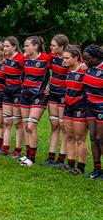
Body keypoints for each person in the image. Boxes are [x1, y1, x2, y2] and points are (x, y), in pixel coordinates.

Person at [19, 36, 51, 167]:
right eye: (24, 46)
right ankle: (27, 154)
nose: (25, 48)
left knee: (31, 126)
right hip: (25, 94)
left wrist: (49, 85)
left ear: (35, 46)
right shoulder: (24, 59)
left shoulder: (46, 58)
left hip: (40, 95)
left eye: (27, 46)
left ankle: (32, 158)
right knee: (26, 126)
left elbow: (61, 68)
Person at [0, 36, 25, 157]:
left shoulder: (21, 58)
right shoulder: (6, 58)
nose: (5, 48)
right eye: (4, 46)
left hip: (18, 92)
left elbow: (28, 73)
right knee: (6, 122)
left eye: (7, 46)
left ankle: (18, 150)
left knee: (18, 123)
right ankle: (5, 148)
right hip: (7, 91)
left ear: (14, 46)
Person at [60, 47, 88, 174]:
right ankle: (70, 163)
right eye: (63, 58)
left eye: (67, 58)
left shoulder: (84, 70)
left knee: (80, 137)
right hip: (68, 105)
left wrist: (86, 66)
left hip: (80, 106)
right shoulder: (68, 70)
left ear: (76, 58)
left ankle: (81, 167)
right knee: (69, 135)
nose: (64, 60)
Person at [45, 34, 69, 166]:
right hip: (53, 92)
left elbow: (79, 68)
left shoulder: (69, 56)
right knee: (54, 125)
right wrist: (48, 84)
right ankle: (51, 156)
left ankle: (61, 158)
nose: (51, 47)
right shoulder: (52, 56)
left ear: (62, 47)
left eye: (54, 45)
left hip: (64, 94)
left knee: (63, 126)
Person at [82, 45, 103, 179]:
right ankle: (96, 169)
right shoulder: (88, 69)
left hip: (101, 107)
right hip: (90, 107)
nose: (85, 62)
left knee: (101, 139)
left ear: (96, 58)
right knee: (93, 138)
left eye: (88, 59)